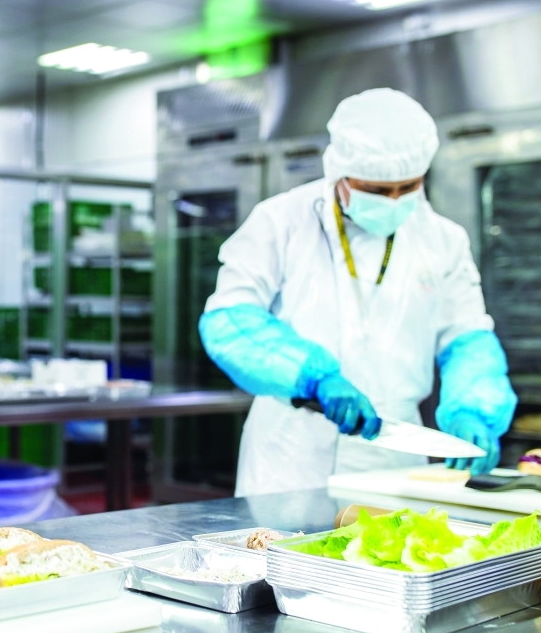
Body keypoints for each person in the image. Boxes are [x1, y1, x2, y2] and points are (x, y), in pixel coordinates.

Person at [199, 88, 516, 497]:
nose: (395, 201)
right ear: (340, 174)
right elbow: (230, 321)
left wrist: (473, 409)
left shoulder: (443, 239)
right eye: (378, 191)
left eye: (408, 187)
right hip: (292, 455)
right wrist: (313, 377)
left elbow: (467, 339)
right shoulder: (281, 221)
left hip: (398, 453)